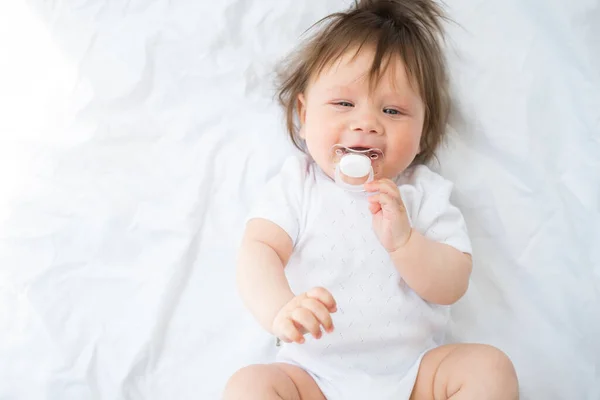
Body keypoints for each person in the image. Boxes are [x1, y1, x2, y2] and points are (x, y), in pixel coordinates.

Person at [224, 0, 519, 398]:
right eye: (343, 103)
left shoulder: (423, 193)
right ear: (303, 113)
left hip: (415, 376)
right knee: (249, 385)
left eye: (393, 110)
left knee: (488, 367)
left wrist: (405, 242)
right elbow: (257, 251)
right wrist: (280, 309)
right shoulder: (298, 185)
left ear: (422, 129)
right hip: (312, 378)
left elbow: (452, 283)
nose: (366, 123)